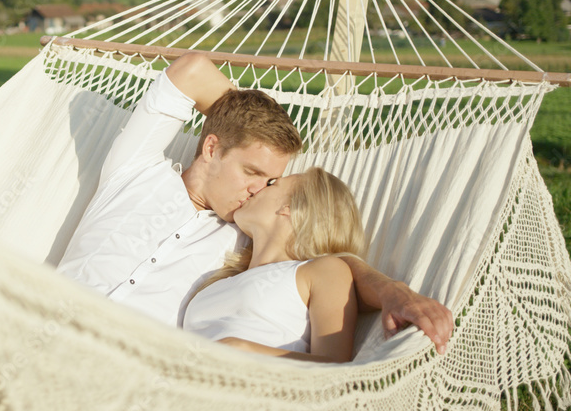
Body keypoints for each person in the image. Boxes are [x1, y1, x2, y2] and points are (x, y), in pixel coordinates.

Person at [56, 52, 453, 354]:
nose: (258, 190)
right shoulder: (134, 168)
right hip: (42, 329)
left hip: (124, 374)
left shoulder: (242, 240)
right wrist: (239, 120)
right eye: (251, 171)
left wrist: (393, 292)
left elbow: (334, 264)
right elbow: (191, 70)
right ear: (211, 148)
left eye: (271, 181)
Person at [182, 167, 364, 362]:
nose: (255, 189)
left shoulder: (323, 270)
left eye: (271, 184)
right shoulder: (218, 281)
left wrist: (242, 348)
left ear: (292, 207)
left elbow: (335, 370)